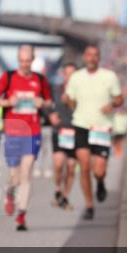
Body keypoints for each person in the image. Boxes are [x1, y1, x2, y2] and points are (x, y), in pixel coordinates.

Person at [0, 44, 53, 232]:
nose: (25, 64)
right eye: (21, 61)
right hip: (12, 132)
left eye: (28, 61)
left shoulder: (40, 80)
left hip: (32, 132)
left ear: (32, 60)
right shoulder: (8, 77)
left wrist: (43, 103)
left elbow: (49, 102)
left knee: (26, 173)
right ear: (18, 60)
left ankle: (21, 215)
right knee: (15, 177)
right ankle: (10, 192)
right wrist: (7, 102)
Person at [64, 44, 123, 220]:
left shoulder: (109, 76)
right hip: (81, 125)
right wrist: (67, 101)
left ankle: (100, 182)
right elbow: (71, 102)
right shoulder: (76, 77)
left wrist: (111, 104)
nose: (92, 58)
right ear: (84, 57)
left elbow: (119, 98)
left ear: (99, 58)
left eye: (95, 55)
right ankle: (89, 206)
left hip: (101, 127)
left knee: (98, 171)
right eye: (89, 55)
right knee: (84, 167)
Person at [49, 62, 78, 212]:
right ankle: (57, 189)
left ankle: (65, 197)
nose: (69, 77)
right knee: (59, 164)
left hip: (75, 132)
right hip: (59, 132)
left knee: (71, 167)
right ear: (63, 75)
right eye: (67, 74)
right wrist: (50, 115)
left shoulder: (82, 92)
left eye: (72, 74)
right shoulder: (56, 90)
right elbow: (47, 105)